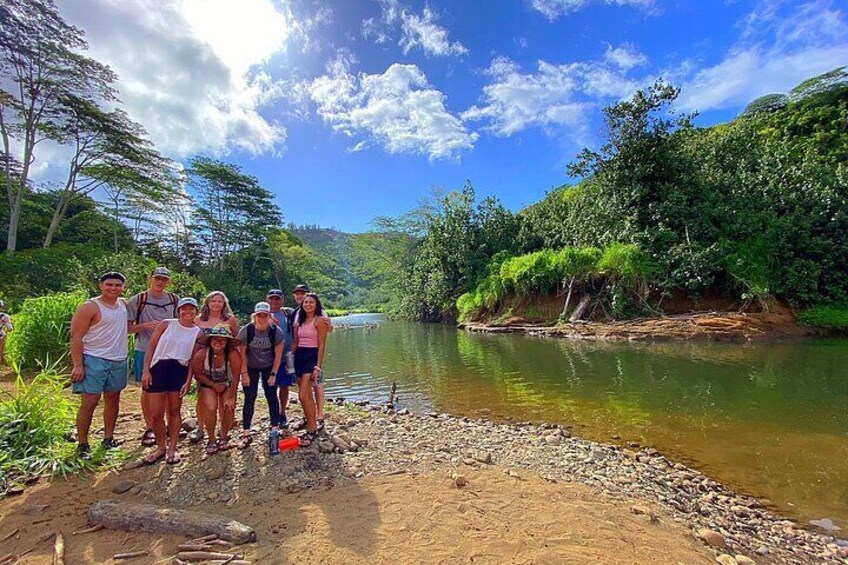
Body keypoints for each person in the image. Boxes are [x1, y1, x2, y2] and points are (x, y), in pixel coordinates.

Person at [69, 272, 129, 460]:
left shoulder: (123, 305)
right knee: (90, 400)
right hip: (94, 358)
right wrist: (78, 365)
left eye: (117, 285)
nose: (113, 288)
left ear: (123, 287)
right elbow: (76, 336)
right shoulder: (90, 307)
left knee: (113, 398)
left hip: (118, 358)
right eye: (109, 284)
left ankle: (108, 438)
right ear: (100, 285)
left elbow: (126, 327)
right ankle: (83, 443)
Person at [141, 297, 201, 465]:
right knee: (156, 413)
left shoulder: (197, 332)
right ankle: (161, 447)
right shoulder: (166, 324)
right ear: (179, 310)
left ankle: (173, 448)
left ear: (196, 312)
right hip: (158, 368)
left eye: (191, 309)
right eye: (184, 309)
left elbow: (193, 360)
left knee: (174, 410)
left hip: (179, 369)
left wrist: (188, 381)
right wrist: (146, 370)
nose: (187, 312)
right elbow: (151, 347)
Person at [127, 267, 178, 447]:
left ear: (168, 282)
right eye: (157, 278)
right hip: (144, 348)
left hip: (168, 352)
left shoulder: (173, 300)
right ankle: (150, 426)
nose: (160, 282)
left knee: (166, 389)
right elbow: (127, 328)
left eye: (164, 279)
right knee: (147, 388)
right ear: (150, 279)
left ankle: (162, 425)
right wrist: (146, 326)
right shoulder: (138, 300)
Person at [189, 291, 240, 444]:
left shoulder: (230, 320)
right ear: (208, 302)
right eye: (213, 301)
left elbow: (237, 337)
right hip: (204, 363)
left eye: (220, 301)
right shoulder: (198, 320)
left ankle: (224, 431)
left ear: (224, 304)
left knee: (228, 404)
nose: (216, 304)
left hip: (226, 369)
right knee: (205, 402)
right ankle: (202, 427)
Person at [237, 302, 285, 455]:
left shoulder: (276, 332)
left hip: (268, 366)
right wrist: (244, 374)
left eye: (265, 315)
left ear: (270, 316)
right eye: (259, 315)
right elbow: (241, 353)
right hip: (250, 366)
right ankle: (246, 432)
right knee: (250, 397)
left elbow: (278, 356)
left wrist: (273, 374)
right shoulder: (247, 330)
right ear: (254, 316)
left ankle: (275, 428)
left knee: (271, 395)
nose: (262, 318)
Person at [290, 284, 332, 431]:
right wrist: (288, 357)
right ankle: (310, 421)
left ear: (316, 304)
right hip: (299, 356)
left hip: (312, 357)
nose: (307, 304)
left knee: (303, 395)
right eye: (306, 302)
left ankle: (315, 423)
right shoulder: (298, 318)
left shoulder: (320, 319)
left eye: (311, 302)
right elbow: (295, 341)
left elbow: (322, 344)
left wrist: (318, 366)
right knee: (305, 393)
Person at [266, 289, 295, 428]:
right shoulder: (263, 314)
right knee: (271, 387)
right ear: (267, 299)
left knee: (285, 386)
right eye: (271, 298)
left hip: (288, 356)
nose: (274, 301)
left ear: (282, 300)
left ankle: (282, 413)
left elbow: (307, 313)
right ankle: (274, 414)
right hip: (268, 358)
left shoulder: (288, 313)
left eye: (277, 299)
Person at [0, 300, 12, 365]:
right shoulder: (4, 316)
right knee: (3, 336)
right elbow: (10, 329)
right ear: (1, 307)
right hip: (0, 335)